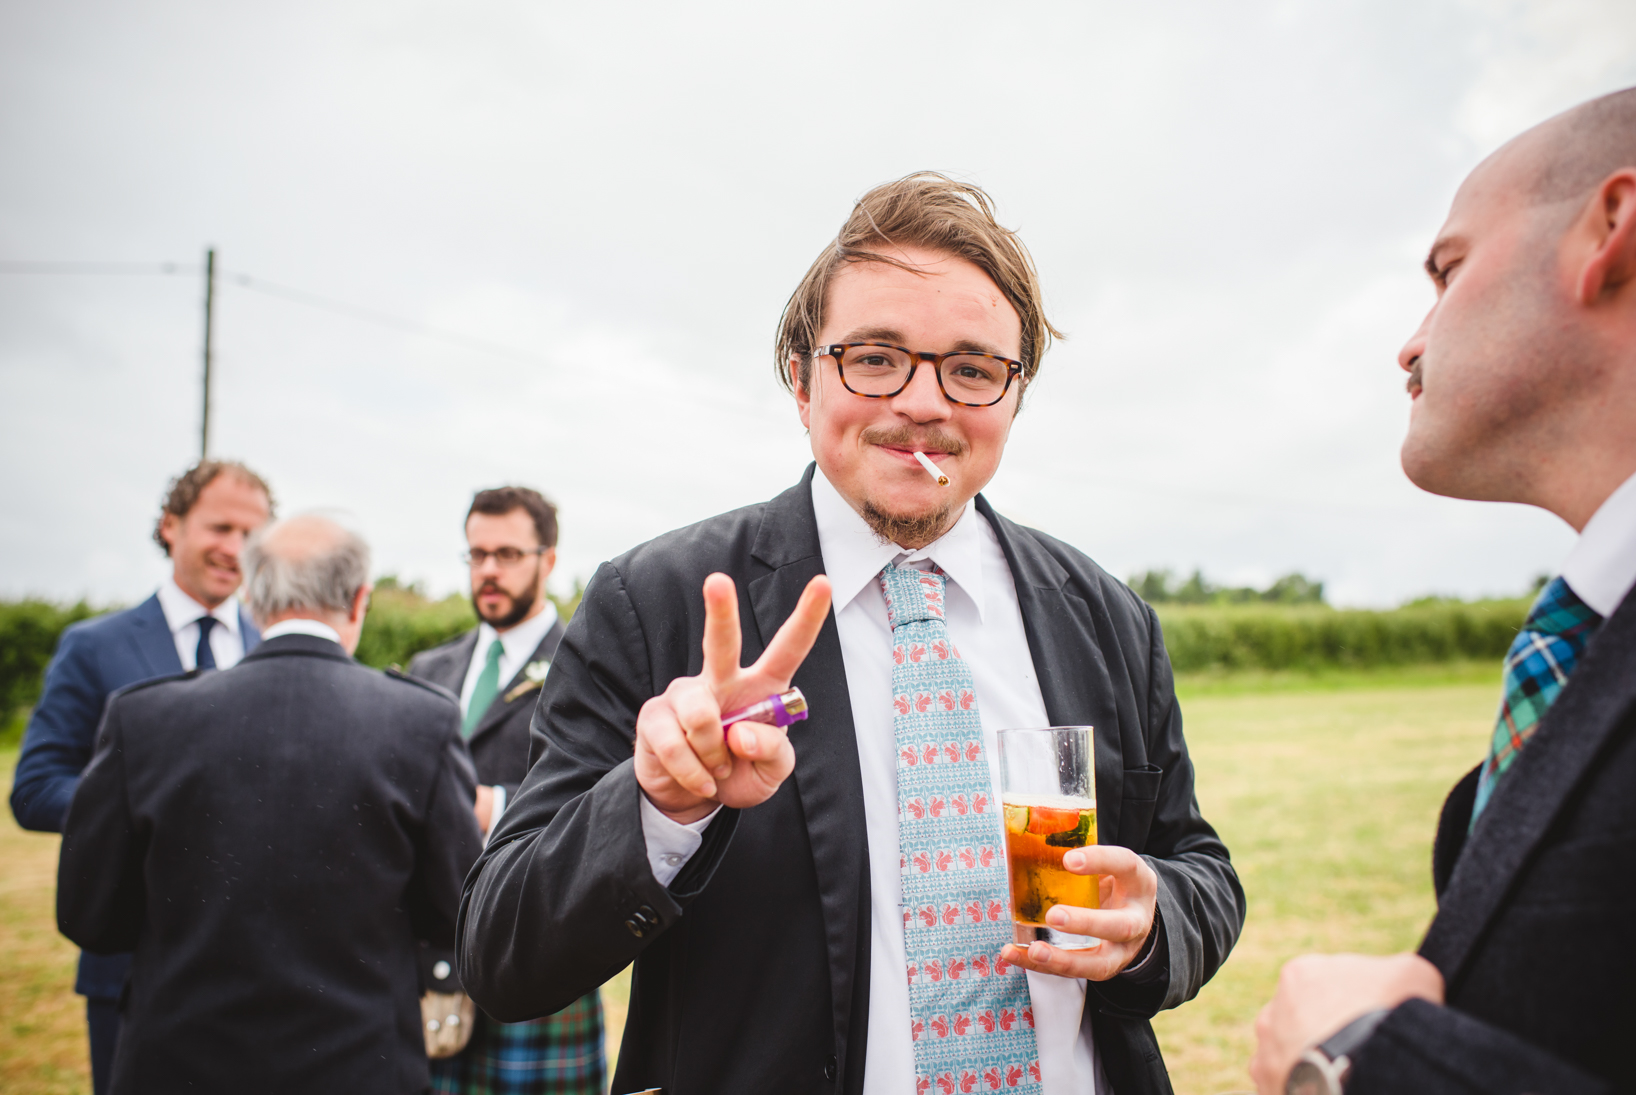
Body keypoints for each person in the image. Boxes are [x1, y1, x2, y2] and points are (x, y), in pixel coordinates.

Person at [458, 173, 1244, 1094]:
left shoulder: (1105, 615)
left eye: (972, 367)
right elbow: (502, 951)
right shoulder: (655, 600)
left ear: (1014, 396)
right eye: (874, 358)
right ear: (800, 379)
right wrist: (658, 807)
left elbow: (1201, 870)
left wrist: (1158, 919)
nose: (923, 402)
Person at [1250, 86, 1636, 1095]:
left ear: (1612, 227)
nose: (1409, 345)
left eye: (1447, 270)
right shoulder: (1584, 642)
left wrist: (1361, 1060)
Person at [56, 514, 486, 1094]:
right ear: (360, 600)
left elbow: (91, 917)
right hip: (358, 1068)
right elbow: (456, 911)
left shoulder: (145, 718)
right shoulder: (421, 722)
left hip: (176, 1067)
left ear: (253, 598)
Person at [10, 459, 272, 1094]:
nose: (233, 548)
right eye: (219, 527)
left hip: (262, 960)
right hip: (132, 956)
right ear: (170, 525)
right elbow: (37, 786)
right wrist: (150, 813)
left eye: (250, 534)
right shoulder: (94, 646)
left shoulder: (273, 646)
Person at [408, 486, 605, 1095]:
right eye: (476, 555)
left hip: (534, 941)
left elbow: (607, 794)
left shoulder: (591, 661)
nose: (488, 570)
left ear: (547, 560)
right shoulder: (429, 671)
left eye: (507, 554)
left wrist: (491, 805)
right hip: (426, 951)